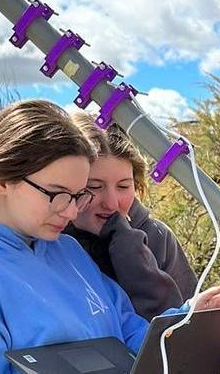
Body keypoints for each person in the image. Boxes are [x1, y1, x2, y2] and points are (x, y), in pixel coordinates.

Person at [0, 99, 220, 374]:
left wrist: (184, 321)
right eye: (57, 193)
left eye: (78, 195)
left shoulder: (67, 251)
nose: (71, 210)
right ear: (1, 179)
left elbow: (132, 338)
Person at [64, 111, 199, 320]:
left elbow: (185, 326)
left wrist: (131, 252)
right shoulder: (48, 240)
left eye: (124, 186)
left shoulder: (157, 237)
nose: (112, 203)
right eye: (95, 187)